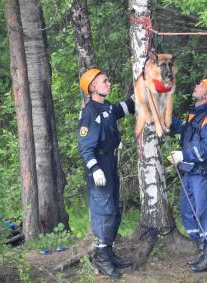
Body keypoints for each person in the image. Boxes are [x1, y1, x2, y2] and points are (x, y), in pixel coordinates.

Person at [78, 68, 135, 278]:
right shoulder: (89, 112)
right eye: (104, 81)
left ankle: (109, 253)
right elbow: (84, 145)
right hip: (99, 164)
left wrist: (140, 90)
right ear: (93, 87)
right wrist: (94, 168)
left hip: (110, 162)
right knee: (104, 211)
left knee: (114, 209)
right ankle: (102, 259)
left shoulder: (107, 107)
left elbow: (126, 107)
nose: (108, 83)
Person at [169, 78, 207, 272]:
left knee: (205, 213)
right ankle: (202, 248)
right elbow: (180, 128)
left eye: (201, 86)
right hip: (190, 172)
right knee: (187, 211)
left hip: (204, 174)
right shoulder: (194, 117)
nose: (196, 86)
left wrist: (183, 155)